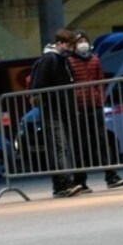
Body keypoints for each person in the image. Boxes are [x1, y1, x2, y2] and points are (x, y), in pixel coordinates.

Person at [67, 29, 123, 192]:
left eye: (84, 40)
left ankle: (111, 176)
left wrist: (99, 97)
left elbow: (100, 80)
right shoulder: (70, 62)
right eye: (79, 41)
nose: (83, 44)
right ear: (73, 45)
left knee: (102, 142)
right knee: (81, 145)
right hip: (79, 109)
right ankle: (80, 181)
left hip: (95, 106)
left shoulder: (94, 60)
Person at [30, 28, 84, 198]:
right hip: (53, 109)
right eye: (69, 45)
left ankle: (62, 184)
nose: (71, 48)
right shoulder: (51, 59)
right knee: (60, 146)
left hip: (60, 108)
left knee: (62, 146)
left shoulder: (61, 59)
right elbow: (40, 85)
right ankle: (62, 184)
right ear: (60, 43)